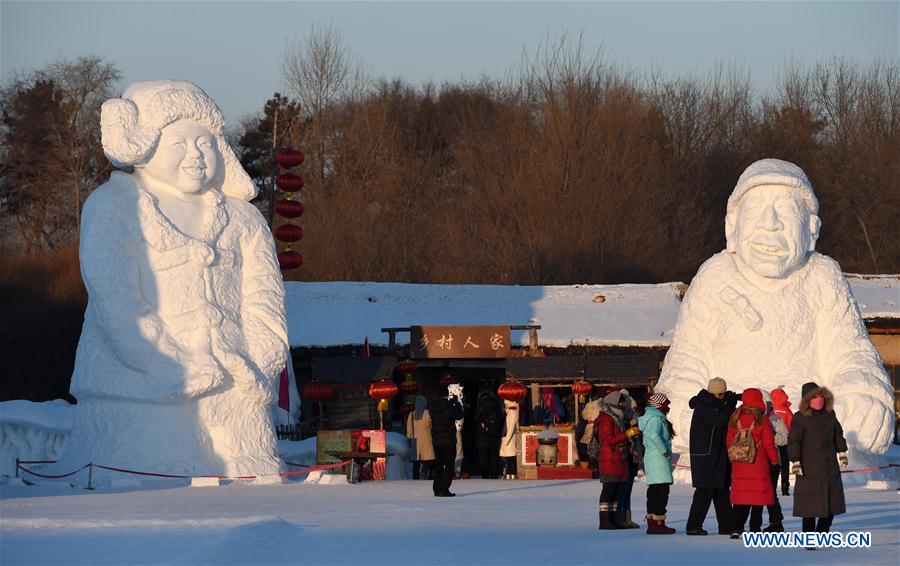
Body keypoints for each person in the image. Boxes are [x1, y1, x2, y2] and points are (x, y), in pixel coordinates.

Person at [58, 80, 286, 477]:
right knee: (157, 458)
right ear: (147, 147)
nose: (196, 156)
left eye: (206, 144)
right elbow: (116, 297)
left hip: (239, 388)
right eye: (179, 144)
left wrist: (262, 362)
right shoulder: (115, 207)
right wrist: (163, 362)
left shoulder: (244, 219)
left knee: (253, 464)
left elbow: (265, 300)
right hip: (141, 390)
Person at [657, 159, 893, 466]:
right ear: (732, 226)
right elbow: (687, 359)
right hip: (731, 429)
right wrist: (684, 405)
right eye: (756, 209)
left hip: (807, 431)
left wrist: (864, 395)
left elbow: (851, 353)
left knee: (858, 420)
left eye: (786, 209)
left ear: (811, 229)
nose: (771, 223)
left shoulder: (822, 275)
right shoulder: (715, 276)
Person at [788, 381, 848, 539]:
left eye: (820, 395)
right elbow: (794, 440)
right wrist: (795, 460)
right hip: (809, 468)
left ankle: (822, 532)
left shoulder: (830, 413)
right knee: (809, 506)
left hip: (830, 468)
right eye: (814, 397)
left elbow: (838, 434)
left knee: (832, 503)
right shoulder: (799, 417)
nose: (819, 399)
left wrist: (842, 452)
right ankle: (809, 538)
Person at [685, 377, 740, 536]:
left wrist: (730, 400)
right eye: (720, 395)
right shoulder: (704, 406)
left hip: (716, 454)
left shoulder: (714, 404)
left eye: (724, 394)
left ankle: (727, 526)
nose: (722, 397)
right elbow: (721, 420)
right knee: (704, 491)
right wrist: (730, 403)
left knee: (721, 490)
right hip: (706, 457)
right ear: (713, 393)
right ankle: (693, 525)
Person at [727, 388, 779, 538]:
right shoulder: (761, 419)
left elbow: (729, 440)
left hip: (739, 462)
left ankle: (737, 528)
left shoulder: (734, 417)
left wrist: (733, 456)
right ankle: (755, 528)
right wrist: (774, 460)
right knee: (758, 497)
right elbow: (769, 443)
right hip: (759, 463)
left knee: (741, 497)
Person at [595, 391, 641, 529]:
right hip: (609, 459)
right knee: (608, 490)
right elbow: (608, 440)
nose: (622, 404)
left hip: (617, 459)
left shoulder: (616, 418)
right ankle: (604, 521)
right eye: (621, 402)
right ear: (614, 403)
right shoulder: (606, 419)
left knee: (616, 490)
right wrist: (627, 434)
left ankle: (614, 520)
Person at [749, 390, 787, 532]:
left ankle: (776, 522)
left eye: (769, 404)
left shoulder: (775, 418)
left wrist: (768, 439)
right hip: (758, 461)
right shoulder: (754, 419)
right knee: (758, 493)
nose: (767, 407)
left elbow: (784, 438)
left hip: (772, 461)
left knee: (770, 493)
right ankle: (757, 524)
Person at [639, 393, 677, 534]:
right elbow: (653, 435)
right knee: (661, 492)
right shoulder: (656, 419)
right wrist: (664, 450)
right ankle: (658, 522)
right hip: (658, 459)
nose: (668, 407)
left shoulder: (653, 417)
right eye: (666, 404)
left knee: (654, 490)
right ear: (659, 405)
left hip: (654, 459)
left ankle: (652, 521)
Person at [615, 390, 642, 529]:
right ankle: (621, 517)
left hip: (633, 456)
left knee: (629, 488)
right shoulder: (620, 420)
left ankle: (627, 517)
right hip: (625, 456)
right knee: (623, 489)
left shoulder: (633, 420)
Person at [429, 392, 464, 497]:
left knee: (439, 464)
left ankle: (436, 488)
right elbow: (459, 415)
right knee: (449, 465)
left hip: (437, 440)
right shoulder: (449, 407)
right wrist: (456, 403)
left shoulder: (433, 407)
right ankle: (445, 489)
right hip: (449, 440)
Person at [474, 390, 502, 479]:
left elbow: (475, 420)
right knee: (493, 456)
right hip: (494, 435)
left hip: (482, 436)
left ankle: (485, 474)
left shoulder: (480, 408)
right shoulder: (496, 407)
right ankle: (494, 474)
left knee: (483, 457)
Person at [407, 395, 435, 480]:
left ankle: (415, 477)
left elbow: (409, 428)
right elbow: (432, 425)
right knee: (430, 458)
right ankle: (424, 472)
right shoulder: (428, 413)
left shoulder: (411, 414)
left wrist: (410, 438)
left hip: (415, 440)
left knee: (416, 462)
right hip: (427, 438)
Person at [771, 387, 793, 496]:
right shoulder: (786, 410)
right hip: (785, 441)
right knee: (785, 465)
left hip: (773, 441)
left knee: (774, 464)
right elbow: (792, 425)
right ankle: (785, 486)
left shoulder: (771, 410)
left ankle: (772, 487)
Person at [499, 399, 520, 479]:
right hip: (510, 438)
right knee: (510, 458)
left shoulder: (511, 413)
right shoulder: (512, 412)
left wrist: (506, 441)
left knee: (510, 458)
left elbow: (511, 428)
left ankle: (510, 475)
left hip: (509, 439)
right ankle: (510, 475)